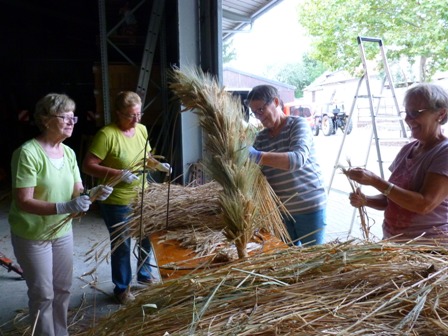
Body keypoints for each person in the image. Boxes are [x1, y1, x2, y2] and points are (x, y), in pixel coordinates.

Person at [9, 93, 112, 336]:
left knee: (63, 288)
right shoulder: (28, 153)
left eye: (73, 117)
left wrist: (93, 194)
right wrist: (64, 207)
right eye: (65, 117)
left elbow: (78, 191)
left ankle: (60, 332)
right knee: (43, 294)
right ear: (45, 120)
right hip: (33, 235)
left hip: (62, 231)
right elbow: (23, 201)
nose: (71, 122)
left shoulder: (68, 153)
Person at [82, 91, 170, 305]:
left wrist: (157, 165)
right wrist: (117, 173)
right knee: (121, 245)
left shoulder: (141, 129)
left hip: (143, 194)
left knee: (146, 237)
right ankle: (122, 288)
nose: (136, 119)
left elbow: (146, 157)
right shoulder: (107, 135)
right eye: (131, 115)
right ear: (118, 114)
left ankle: (145, 275)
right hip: (117, 201)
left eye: (139, 114)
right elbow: (88, 165)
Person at [347, 83, 448, 243]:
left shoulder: (444, 152)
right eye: (406, 112)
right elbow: (392, 197)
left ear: (441, 114)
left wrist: (375, 180)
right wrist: (366, 200)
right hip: (395, 246)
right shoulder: (408, 149)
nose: (408, 119)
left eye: (415, 112)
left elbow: (424, 204)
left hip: (428, 249)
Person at [245, 85, 327, 246]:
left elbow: (297, 159)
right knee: (287, 260)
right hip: (280, 212)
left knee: (314, 260)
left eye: (261, 109)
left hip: (308, 206)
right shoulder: (261, 138)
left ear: (275, 102)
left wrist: (258, 156)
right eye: (255, 113)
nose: (259, 116)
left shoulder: (298, 125)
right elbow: (256, 174)